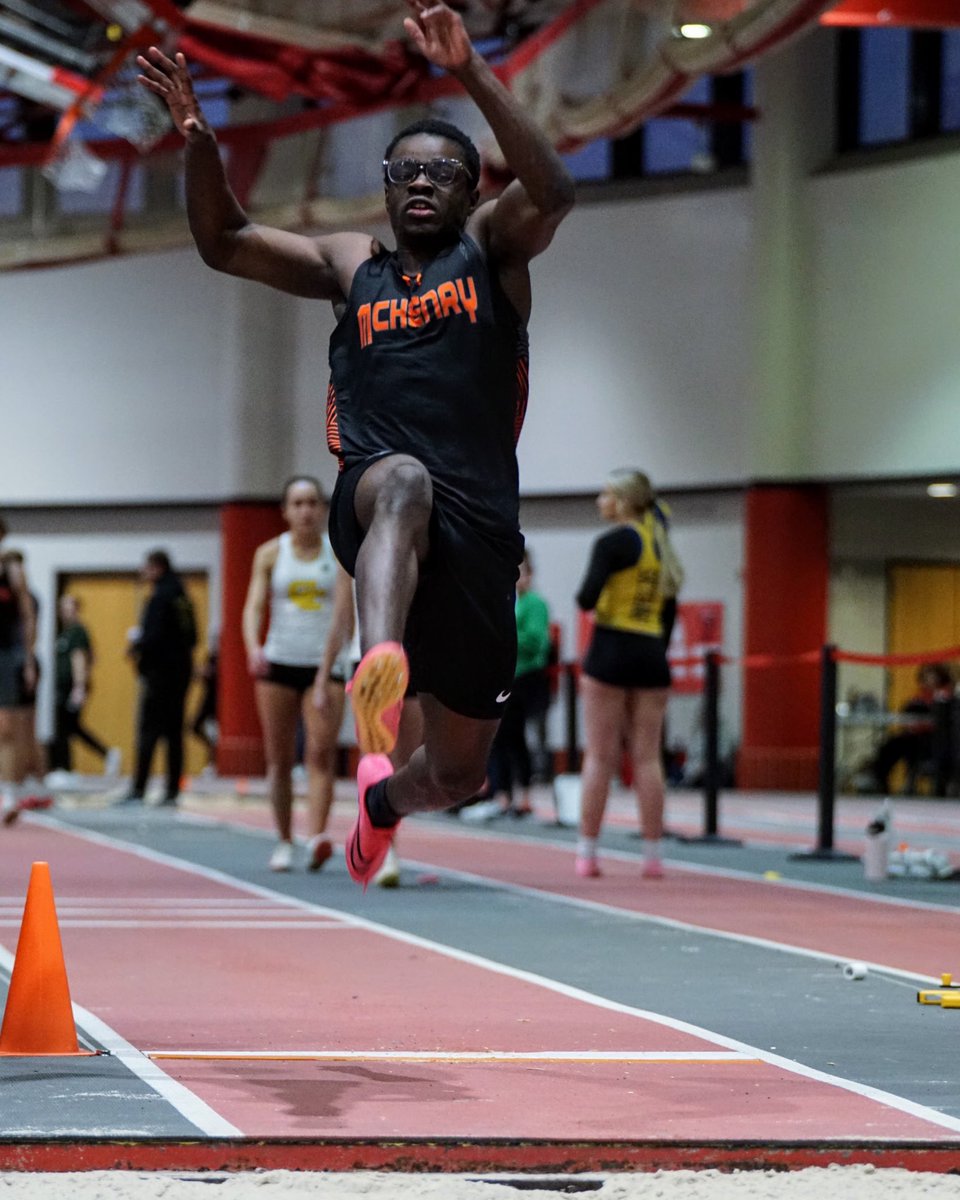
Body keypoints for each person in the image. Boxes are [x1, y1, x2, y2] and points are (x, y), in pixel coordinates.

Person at [136, 0, 574, 886]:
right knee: (404, 480)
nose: (421, 185)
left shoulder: (491, 251)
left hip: (481, 536)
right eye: (404, 172)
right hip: (377, 502)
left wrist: (469, 71)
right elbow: (223, 242)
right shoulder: (350, 266)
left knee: (458, 773)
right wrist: (196, 142)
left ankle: (379, 804)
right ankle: (381, 664)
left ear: (470, 189)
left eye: (441, 175)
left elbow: (555, 192)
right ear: (384, 183)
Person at [243, 477, 354, 871]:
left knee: (320, 754)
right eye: (298, 503)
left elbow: (344, 614)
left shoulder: (338, 554)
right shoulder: (270, 554)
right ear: (286, 511)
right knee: (278, 758)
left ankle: (317, 837)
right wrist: (254, 648)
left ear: (323, 509)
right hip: (279, 663)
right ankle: (284, 840)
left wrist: (326, 672)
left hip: (324, 665)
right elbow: (254, 606)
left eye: (312, 503)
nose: (306, 510)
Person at [574, 470, 672, 880]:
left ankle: (588, 853)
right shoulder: (659, 544)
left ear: (623, 501)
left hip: (611, 651)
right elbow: (668, 609)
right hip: (650, 652)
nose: (599, 501)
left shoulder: (613, 542)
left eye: (605, 494)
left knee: (601, 756)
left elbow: (586, 597)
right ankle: (652, 856)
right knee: (648, 757)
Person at [120, 550, 196, 807]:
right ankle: (172, 789)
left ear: (157, 567)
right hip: (181, 671)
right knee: (174, 733)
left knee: (149, 731)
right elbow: (193, 636)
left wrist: (137, 647)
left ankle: (139, 788)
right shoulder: (182, 595)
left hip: (160, 674)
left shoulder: (160, 597)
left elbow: (152, 637)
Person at [486, 549, 551, 816]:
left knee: (515, 737)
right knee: (498, 737)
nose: (517, 578)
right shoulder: (506, 600)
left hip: (525, 679)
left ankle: (523, 792)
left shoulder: (534, 603)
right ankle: (501, 793)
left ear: (530, 574)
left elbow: (536, 641)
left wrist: (504, 635)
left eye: (522, 572)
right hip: (504, 676)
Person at [49, 593, 120, 779]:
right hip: (63, 686)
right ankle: (107, 754)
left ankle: (64, 769)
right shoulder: (65, 632)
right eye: (62, 608)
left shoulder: (77, 631)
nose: (65, 612)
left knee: (64, 727)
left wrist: (79, 686)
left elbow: (81, 658)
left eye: (69, 608)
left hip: (71, 687)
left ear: (76, 609)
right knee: (72, 727)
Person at [869, 663, 953, 796]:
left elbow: (944, 723)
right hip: (913, 737)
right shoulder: (918, 697)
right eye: (926, 676)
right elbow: (906, 717)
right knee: (889, 745)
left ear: (940, 677)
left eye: (932, 676)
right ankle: (880, 780)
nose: (928, 679)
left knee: (908, 744)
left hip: (934, 741)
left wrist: (921, 725)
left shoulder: (947, 696)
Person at [0, 527, 37, 823]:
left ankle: (9, 793)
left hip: (6, 653)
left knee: (6, 726)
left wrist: (28, 661)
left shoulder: (12, 570)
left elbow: (27, 616)